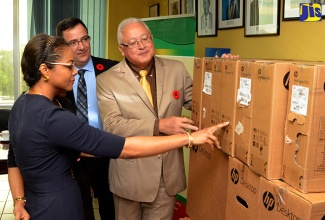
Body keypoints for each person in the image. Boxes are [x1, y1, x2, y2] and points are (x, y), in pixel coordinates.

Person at [7, 33, 229, 220]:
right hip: (59, 208)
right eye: (69, 66)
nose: (75, 71)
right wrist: (190, 138)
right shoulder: (53, 117)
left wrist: (18, 201)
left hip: (36, 203)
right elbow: (124, 148)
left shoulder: (22, 104)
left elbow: (14, 159)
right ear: (45, 70)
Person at [96, 17, 198, 220]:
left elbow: (202, 105)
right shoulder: (107, 80)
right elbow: (113, 125)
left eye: (146, 39)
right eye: (133, 43)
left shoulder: (176, 69)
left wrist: (222, 71)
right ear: (122, 49)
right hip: (129, 175)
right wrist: (160, 125)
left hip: (166, 175)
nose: (142, 46)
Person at [56, 17, 118, 220]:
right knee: (81, 210)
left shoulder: (113, 69)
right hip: (73, 156)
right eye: (73, 42)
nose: (82, 47)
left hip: (107, 154)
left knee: (111, 208)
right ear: (62, 46)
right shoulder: (57, 78)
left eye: (85, 39)